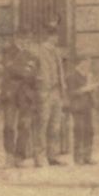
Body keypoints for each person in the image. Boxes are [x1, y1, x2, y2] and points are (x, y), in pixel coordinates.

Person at [0, 27, 40, 168]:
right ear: (16, 38)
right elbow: (11, 69)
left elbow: (34, 74)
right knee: (9, 125)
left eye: (27, 40)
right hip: (10, 94)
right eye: (22, 39)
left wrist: (25, 72)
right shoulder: (7, 52)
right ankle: (9, 155)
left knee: (24, 126)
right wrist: (25, 71)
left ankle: (20, 157)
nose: (24, 42)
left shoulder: (33, 56)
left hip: (26, 95)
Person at [34, 25, 68, 167]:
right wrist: (42, 88)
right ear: (48, 36)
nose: (56, 38)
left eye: (56, 35)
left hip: (56, 91)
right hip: (45, 92)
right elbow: (37, 72)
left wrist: (62, 88)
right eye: (54, 35)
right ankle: (39, 157)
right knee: (43, 124)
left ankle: (52, 155)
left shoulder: (56, 51)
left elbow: (60, 70)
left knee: (55, 125)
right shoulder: (40, 50)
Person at [66, 57, 96, 165]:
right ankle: (78, 158)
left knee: (89, 131)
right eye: (86, 63)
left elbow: (90, 90)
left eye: (89, 64)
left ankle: (87, 157)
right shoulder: (71, 77)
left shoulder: (87, 76)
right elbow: (71, 93)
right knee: (79, 131)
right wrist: (86, 89)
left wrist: (91, 85)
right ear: (80, 64)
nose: (88, 66)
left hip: (88, 106)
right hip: (78, 107)